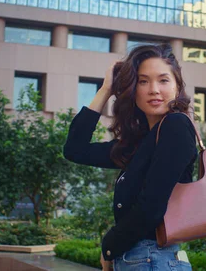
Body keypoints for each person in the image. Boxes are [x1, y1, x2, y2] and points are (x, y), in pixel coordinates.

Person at [63, 44, 197, 271]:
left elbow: (151, 208)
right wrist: (106, 89)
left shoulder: (176, 126)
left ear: (177, 86)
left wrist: (109, 247)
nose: (154, 89)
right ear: (132, 89)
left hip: (154, 260)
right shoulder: (140, 143)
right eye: (143, 81)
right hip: (140, 260)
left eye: (163, 80)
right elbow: (74, 149)